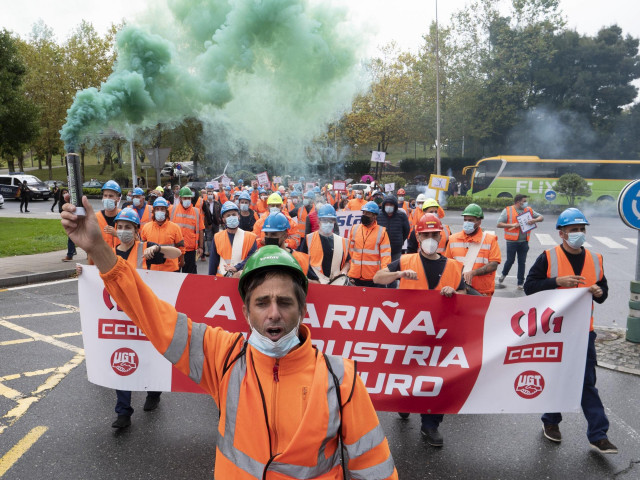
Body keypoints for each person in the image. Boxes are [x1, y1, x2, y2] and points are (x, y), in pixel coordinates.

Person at [61, 197, 398, 477]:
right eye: (262, 303)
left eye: (285, 302)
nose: (274, 314)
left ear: (303, 309)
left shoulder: (342, 379)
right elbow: (150, 313)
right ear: (245, 312)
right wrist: (99, 249)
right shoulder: (222, 356)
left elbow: (376, 470)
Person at [76, 208, 181, 429]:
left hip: (145, 313)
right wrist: (83, 273)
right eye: (120, 227)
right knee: (122, 359)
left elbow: (177, 254)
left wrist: (158, 248)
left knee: (151, 356)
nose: (123, 231)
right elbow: (98, 277)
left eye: (128, 227)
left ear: (136, 230)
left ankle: (154, 392)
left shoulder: (146, 250)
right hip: (120, 316)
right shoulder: (110, 252)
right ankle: (123, 412)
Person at [524, 207, 617, 454]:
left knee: (586, 381)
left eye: (581, 229)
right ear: (562, 233)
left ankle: (598, 435)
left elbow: (603, 292)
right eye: (573, 230)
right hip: (554, 330)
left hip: (583, 331)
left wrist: (599, 292)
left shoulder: (595, 259)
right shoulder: (548, 257)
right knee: (556, 376)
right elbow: (530, 287)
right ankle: (551, 422)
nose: (578, 234)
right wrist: (556, 282)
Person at [373, 213, 465, 446]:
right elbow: (377, 277)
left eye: (435, 234)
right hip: (409, 334)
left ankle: (430, 425)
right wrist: (399, 274)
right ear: (418, 235)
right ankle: (406, 403)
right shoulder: (406, 261)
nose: (431, 238)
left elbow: (465, 295)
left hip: (442, 335)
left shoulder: (454, 267)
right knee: (409, 375)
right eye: (426, 234)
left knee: (438, 381)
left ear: (441, 235)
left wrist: (454, 294)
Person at [444, 203, 501, 296]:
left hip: (482, 293)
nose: (467, 223)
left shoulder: (490, 240)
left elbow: (494, 265)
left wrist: (473, 273)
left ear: (479, 221)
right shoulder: (453, 239)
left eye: (470, 220)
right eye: (465, 220)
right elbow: (448, 265)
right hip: (458, 291)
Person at [497, 194, 544, 290]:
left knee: (522, 262)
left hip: (524, 241)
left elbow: (541, 217)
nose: (525, 202)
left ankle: (520, 283)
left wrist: (534, 220)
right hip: (511, 242)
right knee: (510, 261)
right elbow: (499, 224)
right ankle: (503, 274)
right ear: (518, 202)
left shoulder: (528, 210)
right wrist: (512, 225)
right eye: (524, 201)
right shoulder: (508, 210)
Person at [298, 204, 350, 284]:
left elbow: (347, 262)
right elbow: (301, 261)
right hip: (315, 283)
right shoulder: (309, 239)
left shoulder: (342, 241)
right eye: (325, 220)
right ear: (319, 221)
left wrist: (344, 271)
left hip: (335, 284)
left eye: (330, 220)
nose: (328, 223)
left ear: (334, 221)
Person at [347, 201, 391, 287]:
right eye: (364, 212)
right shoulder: (355, 229)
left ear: (375, 216)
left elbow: (385, 255)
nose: (364, 215)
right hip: (354, 276)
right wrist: (349, 271)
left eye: (368, 213)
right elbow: (349, 251)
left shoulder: (382, 232)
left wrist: (384, 273)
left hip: (373, 277)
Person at [209, 202, 258, 276]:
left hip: (242, 278)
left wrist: (237, 268)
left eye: (234, 214)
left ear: (238, 216)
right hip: (221, 279)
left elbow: (252, 258)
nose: (231, 217)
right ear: (223, 219)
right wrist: (210, 280)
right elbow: (213, 262)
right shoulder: (217, 237)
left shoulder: (250, 237)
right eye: (228, 216)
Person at [140, 197, 185, 272]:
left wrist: (182, 261)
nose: (159, 211)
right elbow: (142, 247)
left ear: (166, 211)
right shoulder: (146, 227)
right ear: (153, 211)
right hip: (152, 268)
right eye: (157, 209)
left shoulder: (175, 228)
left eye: (162, 209)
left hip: (170, 268)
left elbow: (181, 247)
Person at [170, 187, 204, 273]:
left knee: (190, 277)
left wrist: (201, 247)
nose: (187, 200)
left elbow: (200, 230)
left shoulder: (196, 212)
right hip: (175, 249)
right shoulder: (172, 210)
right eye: (185, 198)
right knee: (174, 275)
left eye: (189, 198)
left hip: (190, 250)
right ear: (180, 198)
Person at [376, 195, 410, 265]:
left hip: (396, 250)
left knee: (395, 270)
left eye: (391, 204)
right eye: (387, 204)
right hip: (381, 250)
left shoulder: (402, 215)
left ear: (395, 206)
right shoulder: (378, 215)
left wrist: (401, 241)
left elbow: (406, 230)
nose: (389, 206)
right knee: (382, 271)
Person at [60, 189, 78, 262]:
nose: (65, 194)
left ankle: (70, 254)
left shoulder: (74, 200)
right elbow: (61, 211)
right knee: (71, 238)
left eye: (66, 192)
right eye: (64, 193)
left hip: (77, 220)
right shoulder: (61, 203)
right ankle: (70, 254)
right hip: (70, 223)